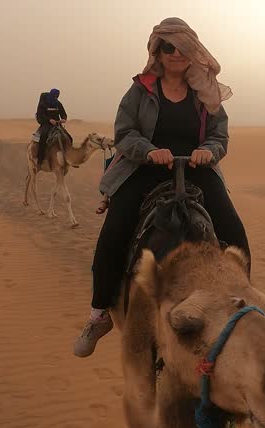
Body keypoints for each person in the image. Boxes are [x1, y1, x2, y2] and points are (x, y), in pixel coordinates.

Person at [73, 17, 247, 357]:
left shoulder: (204, 93)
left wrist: (208, 151)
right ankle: (99, 314)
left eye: (182, 47)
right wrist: (150, 151)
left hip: (196, 168)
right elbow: (125, 133)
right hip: (145, 168)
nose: (175, 53)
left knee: (234, 231)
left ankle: (244, 306)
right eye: (168, 46)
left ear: (191, 51)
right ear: (158, 51)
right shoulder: (140, 90)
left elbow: (219, 135)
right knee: (114, 233)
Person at [34, 88, 68, 167]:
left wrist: (64, 119)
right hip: (46, 124)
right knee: (44, 137)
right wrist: (49, 120)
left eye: (57, 96)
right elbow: (40, 114)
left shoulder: (58, 103)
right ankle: (40, 160)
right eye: (54, 96)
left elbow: (63, 114)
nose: (55, 98)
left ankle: (67, 159)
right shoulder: (43, 103)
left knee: (68, 138)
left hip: (57, 125)